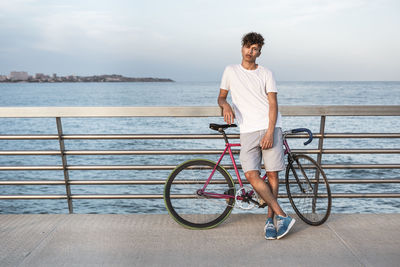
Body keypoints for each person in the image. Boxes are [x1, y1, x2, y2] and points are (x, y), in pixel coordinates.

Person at [217, 32, 295, 240]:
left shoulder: (267, 73)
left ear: (259, 53)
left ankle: (270, 222)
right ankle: (282, 215)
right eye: (248, 47)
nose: (251, 52)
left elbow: (273, 104)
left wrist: (270, 131)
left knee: (272, 175)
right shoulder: (230, 71)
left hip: (270, 127)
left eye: (255, 49)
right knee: (251, 174)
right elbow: (221, 97)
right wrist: (225, 106)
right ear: (242, 48)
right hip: (247, 130)